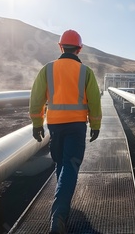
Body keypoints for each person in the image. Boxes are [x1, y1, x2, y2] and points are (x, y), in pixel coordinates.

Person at [29, 29, 102, 234]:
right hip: (76, 126)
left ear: (61, 47)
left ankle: (62, 204)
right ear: (79, 49)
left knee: (61, 163)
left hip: (55, 125)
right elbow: (94, 101)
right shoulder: (86, 72)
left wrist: (37, 123)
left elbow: (36, 98)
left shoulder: (47, 69)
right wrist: (95, 126)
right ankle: (59, 214)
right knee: (70, 166)